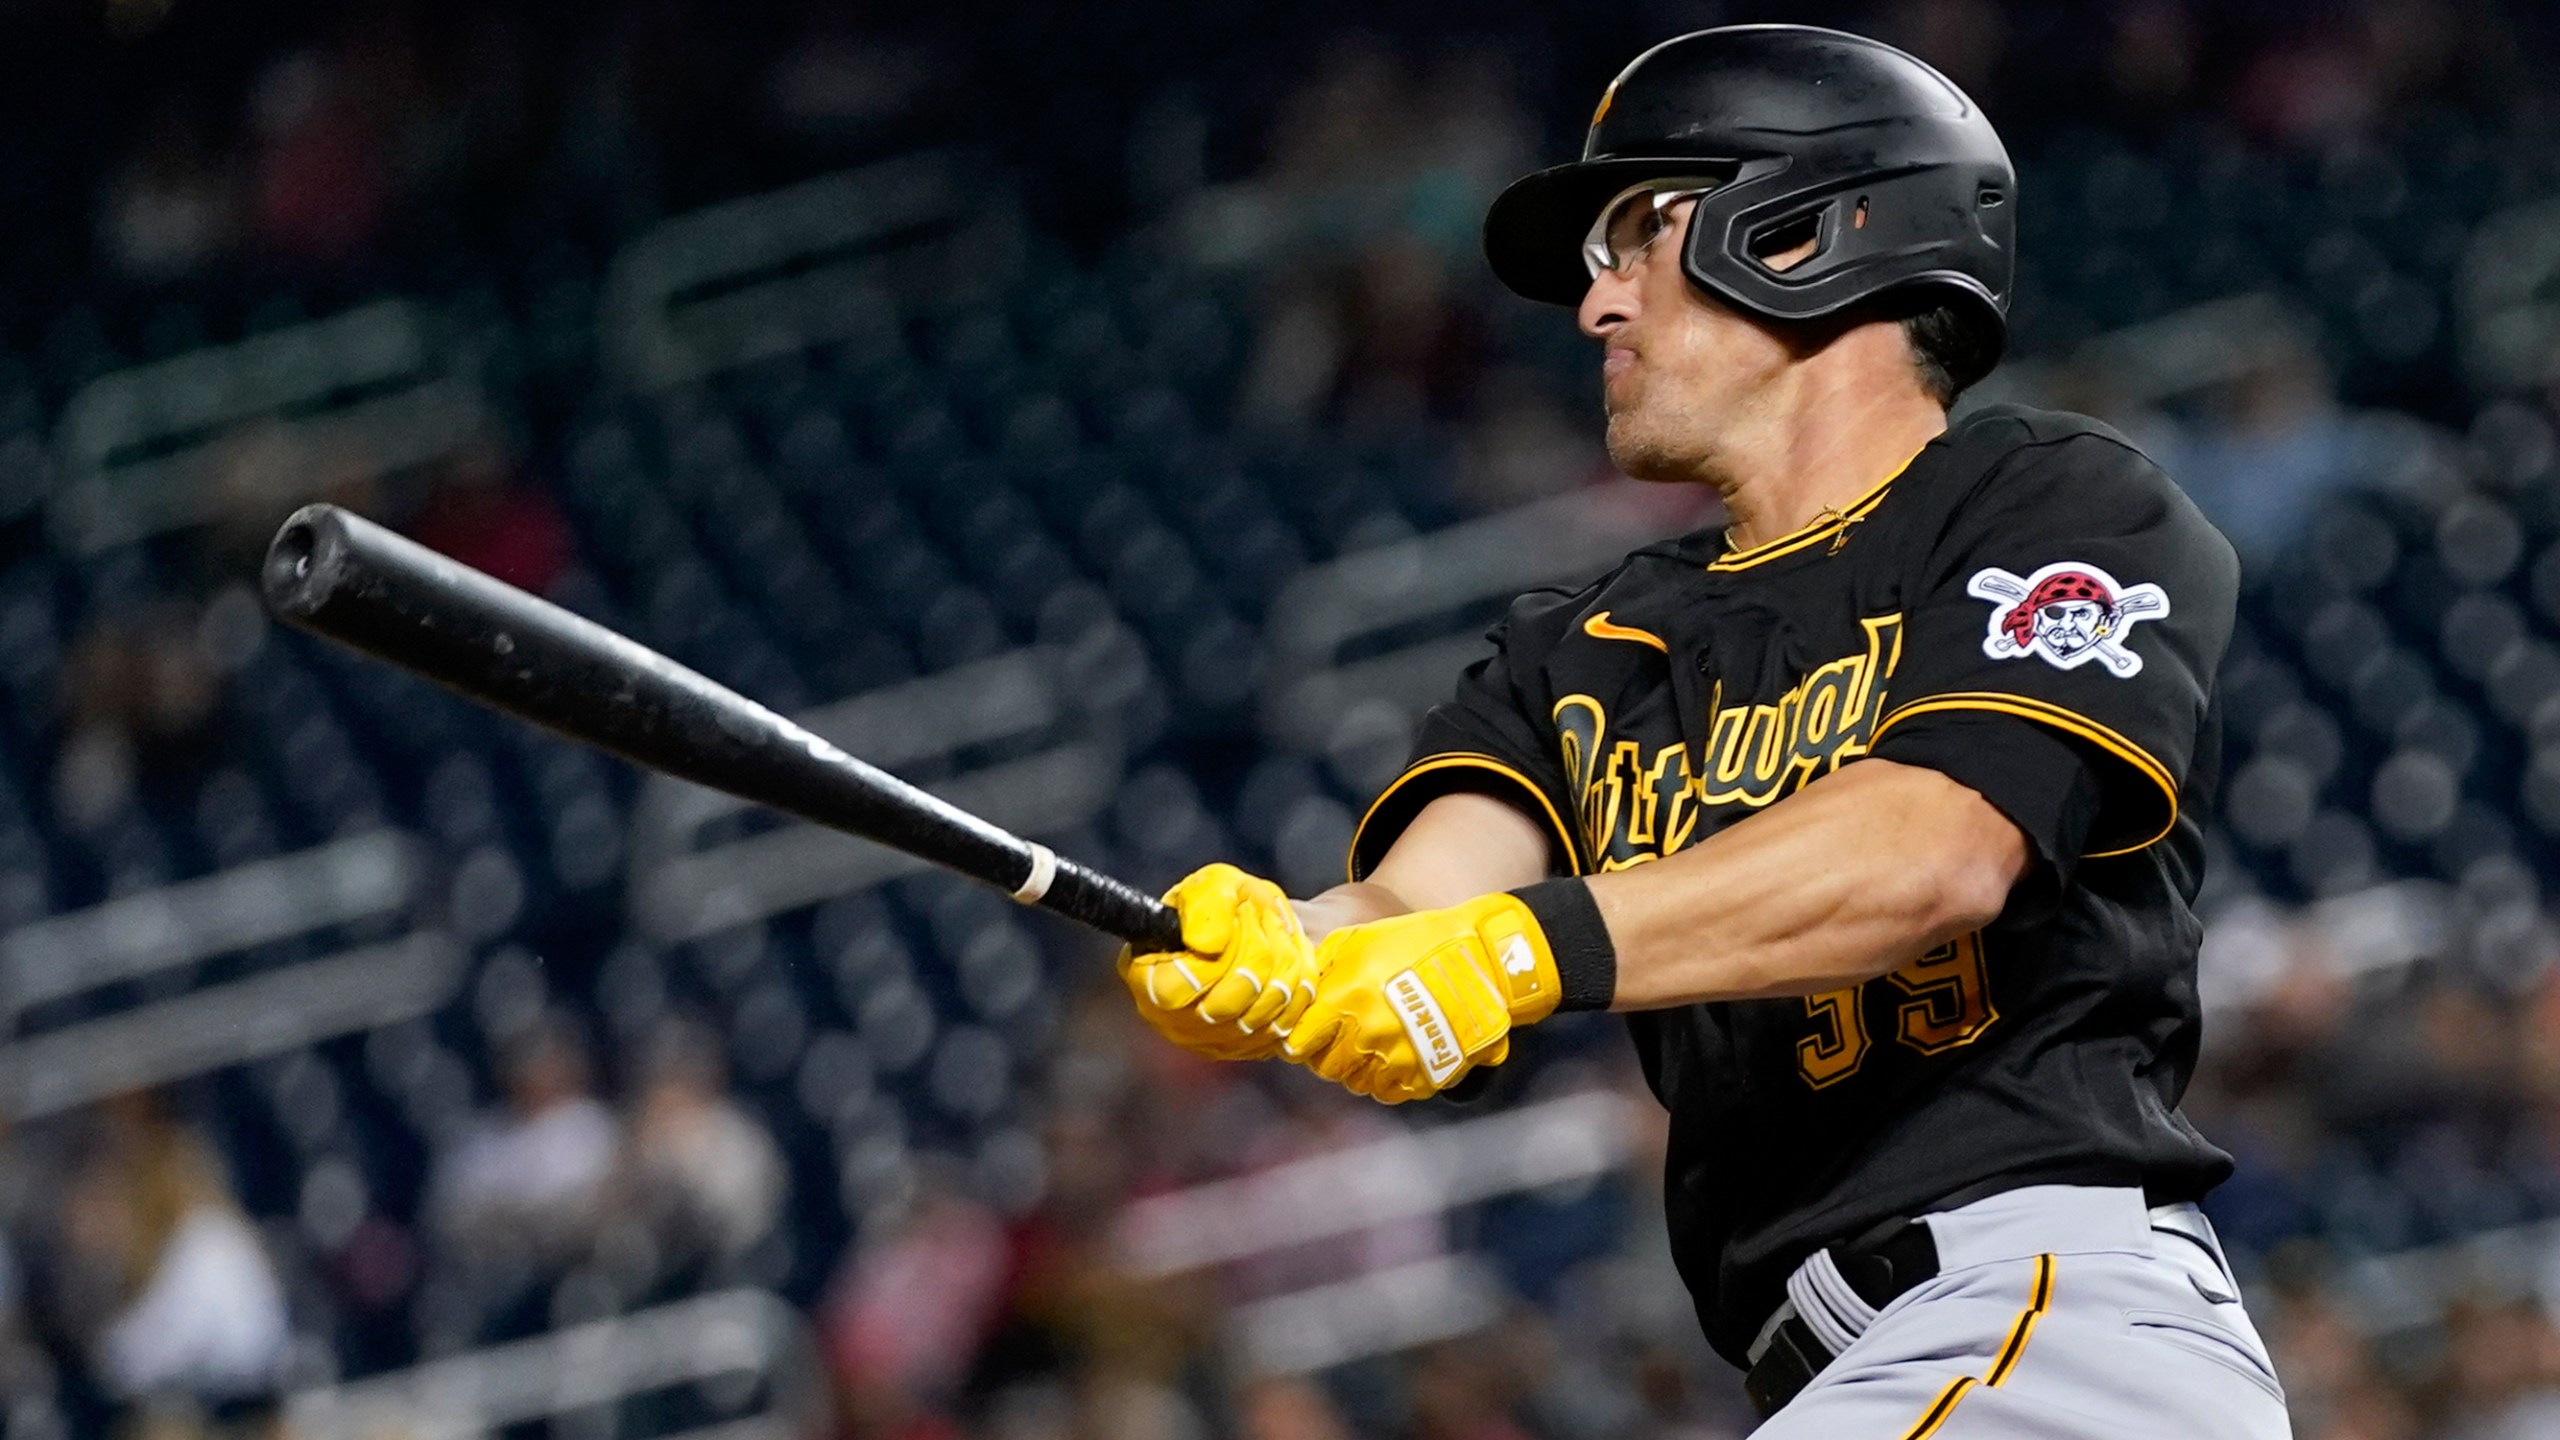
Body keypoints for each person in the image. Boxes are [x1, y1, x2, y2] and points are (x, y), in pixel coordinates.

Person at [1120, 25, 2291, 1438]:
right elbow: (1418, 906)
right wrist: (1294, 954)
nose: (1593, 309)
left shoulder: (2047, 500)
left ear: (1807, 229)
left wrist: (1509, 956)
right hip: (1842, 1368)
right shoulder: (1581, 643)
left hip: (2044, 1320)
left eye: (1637, 238)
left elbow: (1932, 851)